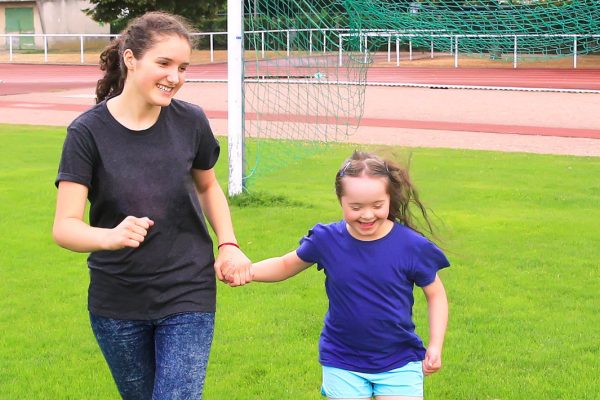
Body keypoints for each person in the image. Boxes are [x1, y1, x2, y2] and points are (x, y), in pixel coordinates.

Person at [52, 11, 251, 400]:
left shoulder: (191, 121)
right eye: (164, 63)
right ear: (130, 59)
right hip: (118, 300)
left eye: (183, 67)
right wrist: (110, 236)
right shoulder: (86, 132)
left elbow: (209, 188)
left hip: (187, 291)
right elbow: (65, 226)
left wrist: (228, 244)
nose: (174, 77)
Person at [248, 151, 450, 400]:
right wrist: (247, 271)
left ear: (389, 198)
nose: (367, 215)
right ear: (341, 200)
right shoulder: (326, 240)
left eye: (377, 206)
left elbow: (436, 294)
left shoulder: (411, 246)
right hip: (342, 360)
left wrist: (436, 344)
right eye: (356, 207)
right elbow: (284, 265)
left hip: (399, 360)